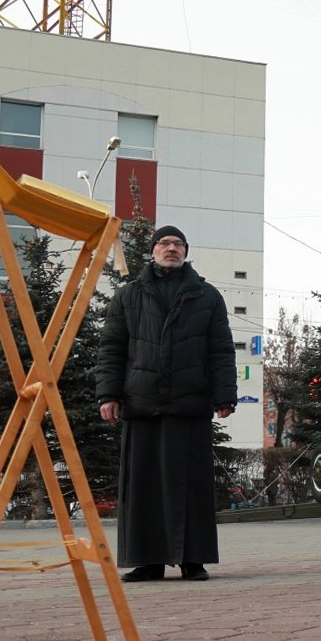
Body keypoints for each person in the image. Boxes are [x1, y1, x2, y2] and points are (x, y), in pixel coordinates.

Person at [94, 225, 235, 582]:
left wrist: (224, 395)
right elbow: (112, 348)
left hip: (190, 402)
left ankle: (194, 560)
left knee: (192, 485)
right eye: (164, 243)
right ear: (153, 250)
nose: (171, 248)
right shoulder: (128, 296)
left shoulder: (207, 296)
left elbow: (220, 349)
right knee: (143, 486)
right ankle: (147, 561)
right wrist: (108, 394)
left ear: (186, 250)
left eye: (177, 244)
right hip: (142, 402)